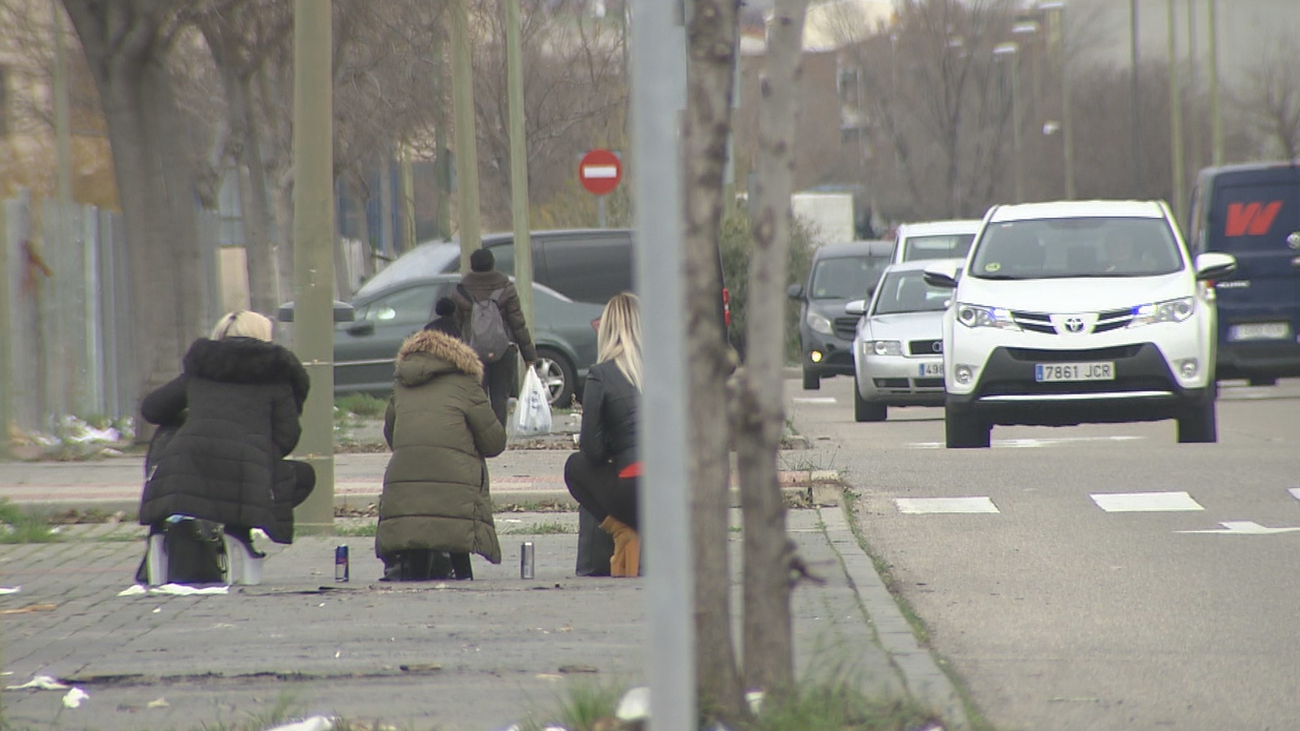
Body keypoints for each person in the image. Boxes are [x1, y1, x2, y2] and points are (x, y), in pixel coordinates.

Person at [138, 310, 315, 584]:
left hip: (186, 468)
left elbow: (152, 409)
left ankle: (163, 547)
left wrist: (193, 417)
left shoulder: (203, 369)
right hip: (245, 477)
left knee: (177, 440)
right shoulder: (277, 375)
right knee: (301, 475)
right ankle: (239, 534)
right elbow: (287, 436)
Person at [376, 326, 507, 581]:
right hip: (457, 495)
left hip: (406, 494)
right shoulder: (467, 383)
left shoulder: (401, 385)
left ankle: (418, 571)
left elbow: (393, 437)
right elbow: (494, 443)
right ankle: (462, 571)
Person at [564, 292, 642, 577]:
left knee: (575, 467)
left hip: (632, 489)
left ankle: (622, 531)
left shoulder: (600, 374)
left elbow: (591, 450)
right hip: (670, 491)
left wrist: (612, 445)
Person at [452, 248, 537, 425]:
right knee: (500, 397)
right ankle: (498, 439)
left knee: (477, 397)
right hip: (504, 349)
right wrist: (529, 356)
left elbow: (457, 325)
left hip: (471, 353)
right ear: (492, 264)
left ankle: (481, 438)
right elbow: (518, 323)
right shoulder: (506, 288)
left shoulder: (461, 291)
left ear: (472, 266)